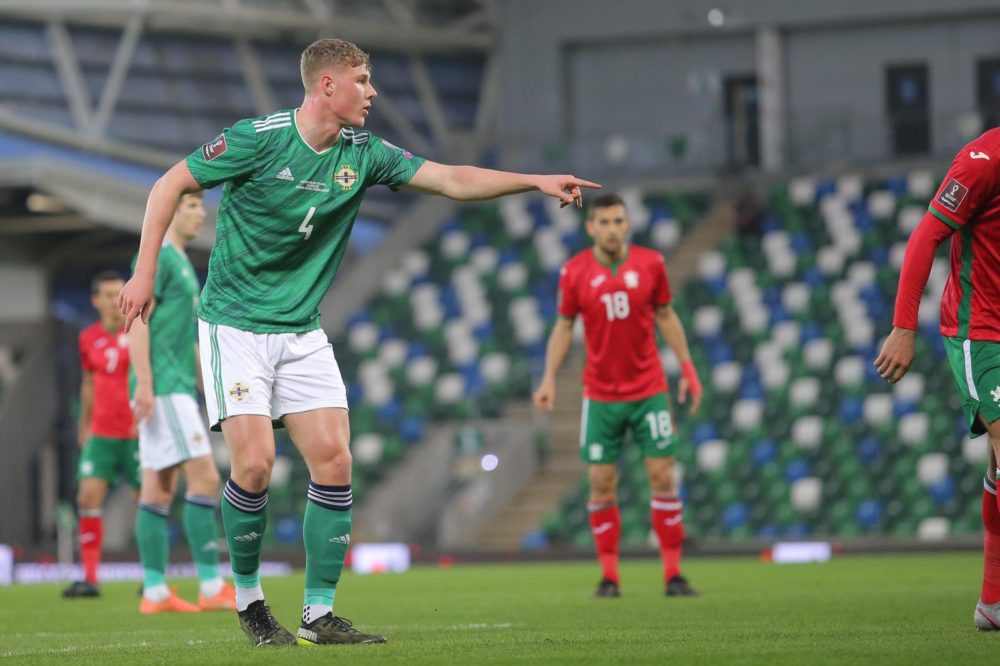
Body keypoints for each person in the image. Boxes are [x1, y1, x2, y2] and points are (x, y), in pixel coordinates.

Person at [118, 37, 599, 647]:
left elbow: (450, 178)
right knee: (255, 464)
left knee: (336, 460)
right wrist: (141, 271)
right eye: (364, 80)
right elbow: (167, 185)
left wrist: (532, 181)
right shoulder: (256, 138)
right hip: (235, 325)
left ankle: (318, 616)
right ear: (327, 85)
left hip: (301, 329)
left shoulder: (363, 153)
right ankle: (248, 601)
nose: (372, 93)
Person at [532, 193, 703, 598]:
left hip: (649, 391)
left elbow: (665, 315)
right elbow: (563, 326)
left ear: (627, 225)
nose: (612, 229)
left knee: (663, 478)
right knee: (601, 483)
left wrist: (688, 367)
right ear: (591, 227)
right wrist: (548, 378)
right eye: (604, 222)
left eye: (618, 221)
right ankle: (610, 577)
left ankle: (673, 575)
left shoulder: (651, 264)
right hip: (601, 396)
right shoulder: (574, 272)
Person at [875, 129, 1000, 631]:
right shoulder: (982, 160)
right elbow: (926, 234)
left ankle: (992, 603)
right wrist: (904, 327)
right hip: (982, 330)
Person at [129, 192, 236, 614]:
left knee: (159, 487)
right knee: (206, 478)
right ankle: (210, 586)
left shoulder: (178, 262)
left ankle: (155, 592)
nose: (200, 213)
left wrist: (209, 386)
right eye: (192, 206)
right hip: (163, 389)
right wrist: (145, 384)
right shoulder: (157, 259)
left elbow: (184, 339)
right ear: (172, 211)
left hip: (174, 386)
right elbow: (135, 320)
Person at [62, 271, 138, 599]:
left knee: (150, 503)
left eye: (119, 293)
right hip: (102, 433)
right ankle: (90, 578)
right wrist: (84, 425)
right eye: (108, 294)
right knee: (87, 498)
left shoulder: (139, 332)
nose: (115, 300)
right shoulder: (87, 338)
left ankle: (155, 579)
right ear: (95, 301)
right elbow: (89, 383)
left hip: (137, 433)